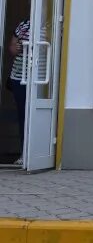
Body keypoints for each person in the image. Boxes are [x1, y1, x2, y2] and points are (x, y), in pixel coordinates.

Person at [6, 18, 30, 165]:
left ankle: (35, 154)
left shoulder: (49, 24)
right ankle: (24, 153)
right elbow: (12, 48)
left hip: (39, 78)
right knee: (23, 116)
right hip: (19, 77)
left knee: (35, 116)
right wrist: (18, 47)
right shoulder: (23, 25)